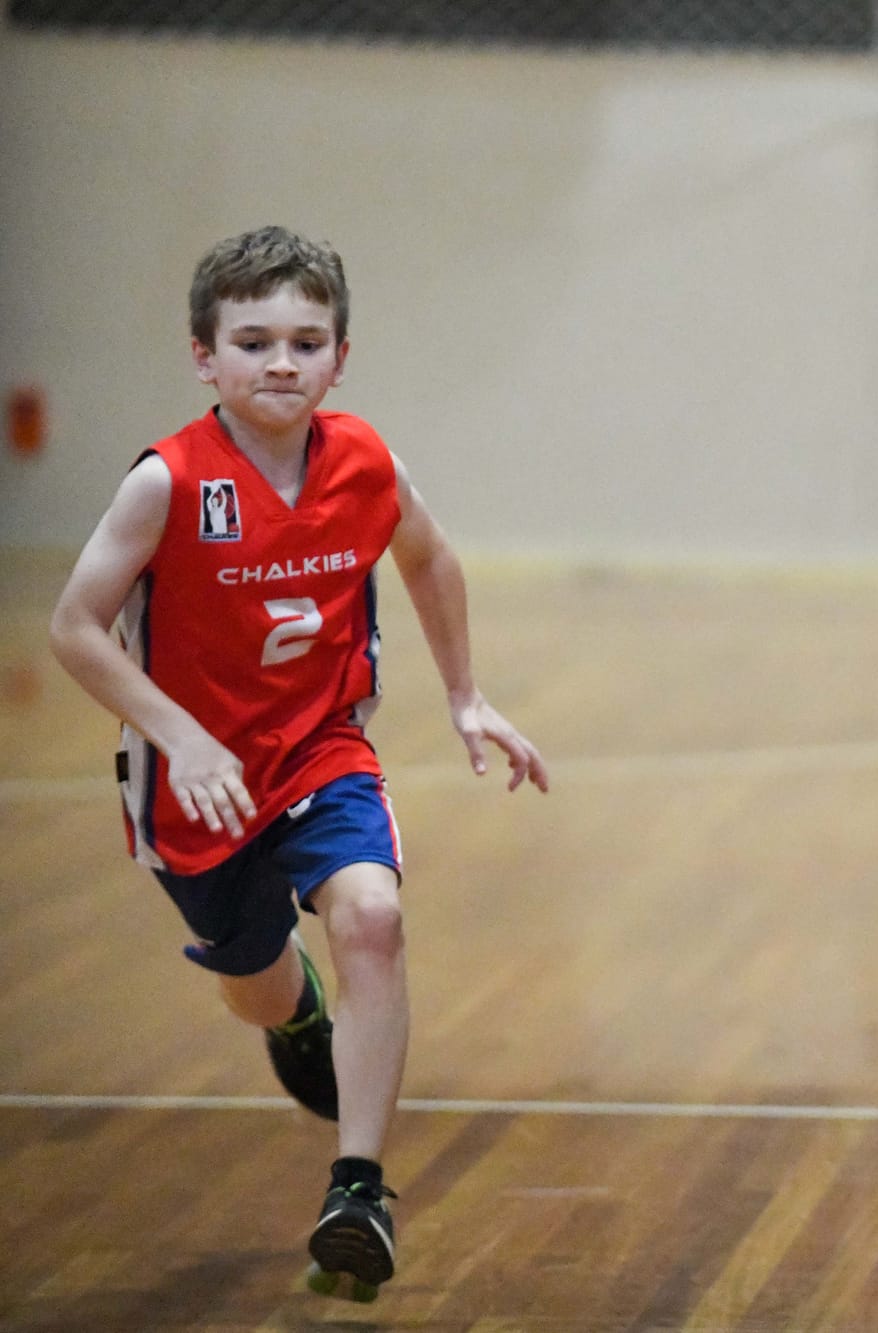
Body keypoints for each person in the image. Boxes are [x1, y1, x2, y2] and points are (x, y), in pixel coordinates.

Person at [48, 225, 549, 1301]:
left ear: (340, 356)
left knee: (373, 915)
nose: (282, 360)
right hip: (195, 780)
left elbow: (429, 556)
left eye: (306, 340)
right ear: (204, 355)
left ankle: (358, 1189)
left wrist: (466, 696)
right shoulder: (167, 484)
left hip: (323, 750)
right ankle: (298, 1013)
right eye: (255, 339)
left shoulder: (367, 462)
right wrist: (180, 734)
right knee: (258, 990)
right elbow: (74, 628)